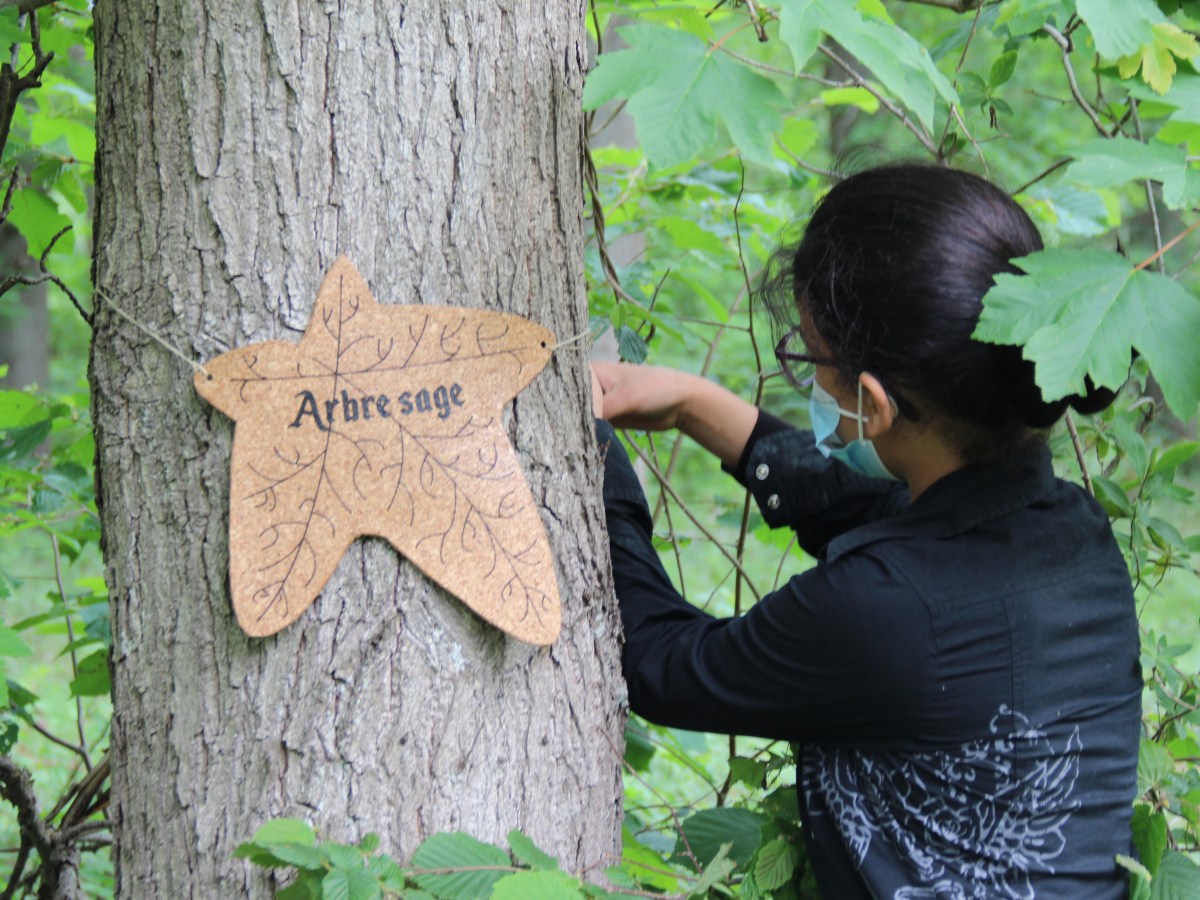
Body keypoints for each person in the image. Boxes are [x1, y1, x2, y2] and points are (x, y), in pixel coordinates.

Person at [590, 164, 1141, 899]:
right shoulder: (1070, 534)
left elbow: (658, 662)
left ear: (875, 404)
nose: (811, 380)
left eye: (812, 359)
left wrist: (590, 454)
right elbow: (874, 514)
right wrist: (699, 406)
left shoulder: (883, 610)